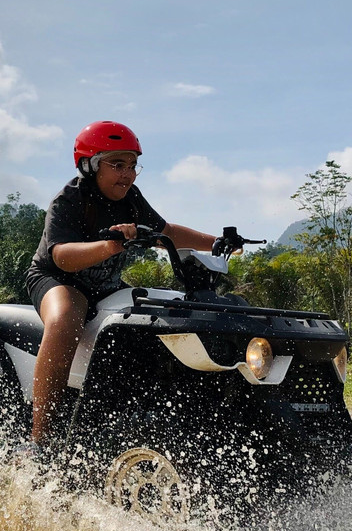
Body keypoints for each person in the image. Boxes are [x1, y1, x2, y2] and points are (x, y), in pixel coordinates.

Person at [25, 121, 217, 448]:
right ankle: (41, 440)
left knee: (156, 316)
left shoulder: (132, 199)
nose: (127, 174)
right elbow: (62, 257)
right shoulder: (69, 199)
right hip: (58, 280)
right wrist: (110, 246)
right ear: (90, 165)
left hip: (106, 285)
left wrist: (216, 243)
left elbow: (166, 233)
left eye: (132, 165)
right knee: (66, 319)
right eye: (117, 165)